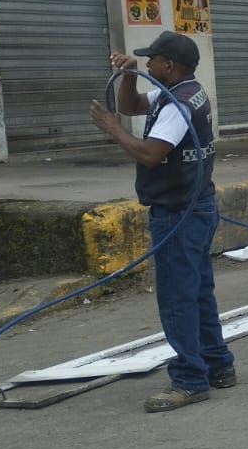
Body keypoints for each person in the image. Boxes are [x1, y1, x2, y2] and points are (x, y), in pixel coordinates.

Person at [88, 31, 236, 412]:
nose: (148, 63)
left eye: (151, 59)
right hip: (197, 206)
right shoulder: (185, 90)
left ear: (169, 65)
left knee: (177, 298)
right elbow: (133, 104)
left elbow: (150, 154)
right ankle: (218, 364)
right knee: (198, 291)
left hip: (178, 213)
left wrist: (113, 129)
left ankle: (189, 379)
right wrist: (129, 75)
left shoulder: (176, 105)